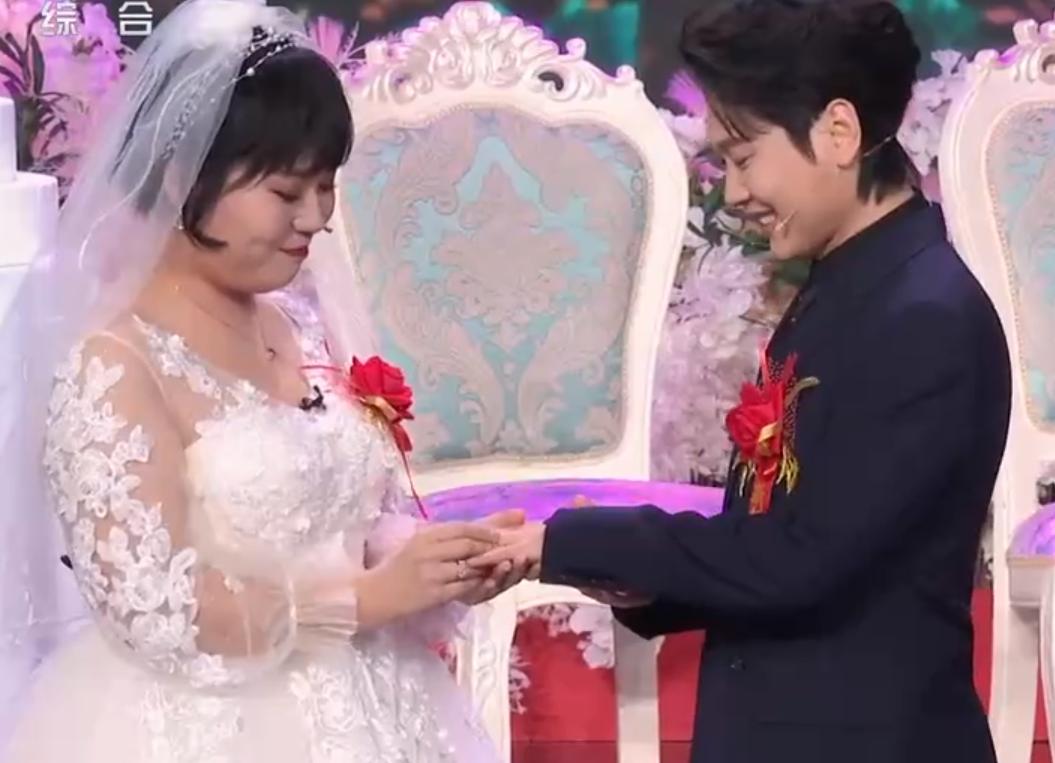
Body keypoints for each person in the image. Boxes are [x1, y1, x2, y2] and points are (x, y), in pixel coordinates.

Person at [473, 2, 1012, 762]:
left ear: (838, 132)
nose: (731, 193)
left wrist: (573, 541)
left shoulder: (925, 317)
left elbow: (801, 559)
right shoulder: (855, 287)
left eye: (744, 156)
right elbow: (787, 541)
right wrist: (638, 580)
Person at [0, 1, 522, 759]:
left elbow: (343, 513)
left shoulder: (297, 322)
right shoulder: (114, 364)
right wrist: (362, 601)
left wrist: (431, 557)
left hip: (381, 701)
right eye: (285, 192)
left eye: (325, 186)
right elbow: (154, 608)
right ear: (181, 179)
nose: (315, 218)